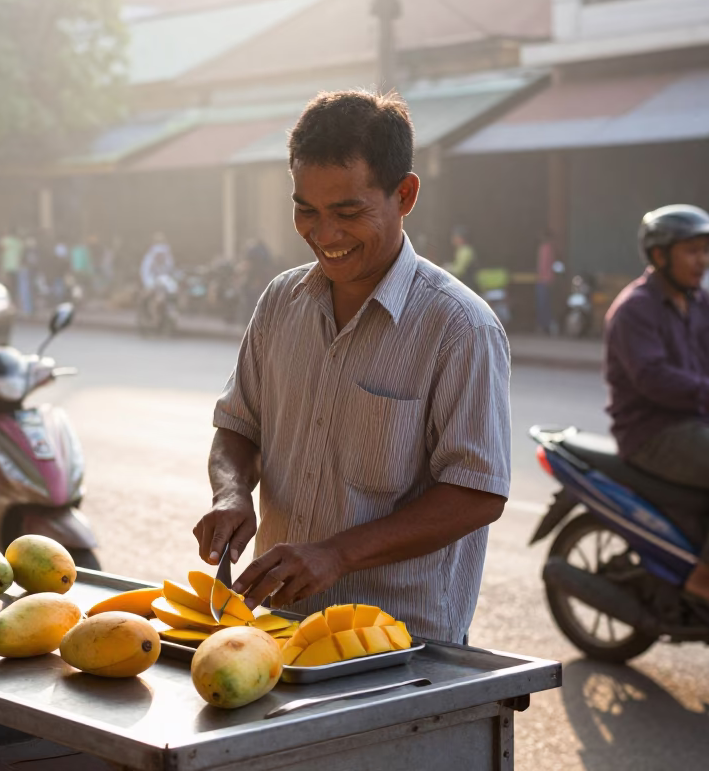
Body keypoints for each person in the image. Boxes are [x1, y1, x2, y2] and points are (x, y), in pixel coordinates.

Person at [193, 91, 510, 643]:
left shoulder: (461, 327)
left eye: (348, 212)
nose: (325, 235)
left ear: (404, 194)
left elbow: (478, 492)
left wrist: (337, 555)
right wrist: (231, 494)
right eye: (305, 211)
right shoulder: (279, 301)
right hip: (277, 627)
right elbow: (237, 427)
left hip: (401, 645)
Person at [605, 205, 709, 622]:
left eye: (706, 251)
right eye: (692, 251)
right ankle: (707, 575)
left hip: (697, 424)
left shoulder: (698, 303)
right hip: (653, 432)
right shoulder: (635, 309)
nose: (703, 261)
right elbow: (654, 379)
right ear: (660, 255)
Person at [536, 231, 556, 334]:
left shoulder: (545, 248)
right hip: (546, 280)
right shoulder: (548, 248)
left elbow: (543, 266)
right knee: (545, 305)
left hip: (543, 280)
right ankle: (544, 327)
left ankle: (544, 326)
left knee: (543, 305)